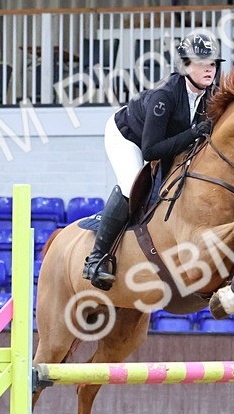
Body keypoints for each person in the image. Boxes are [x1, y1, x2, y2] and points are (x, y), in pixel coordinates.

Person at [82, 32, 224, 290]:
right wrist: (193, 133)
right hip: (128, 137)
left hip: (164, 140)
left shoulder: (211, 94)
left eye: (212, 64)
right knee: (131, 183)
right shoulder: (165, 96)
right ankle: (95, 259)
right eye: (201, 63)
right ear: (185, 66)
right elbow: (150, 150)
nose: (209, 69)